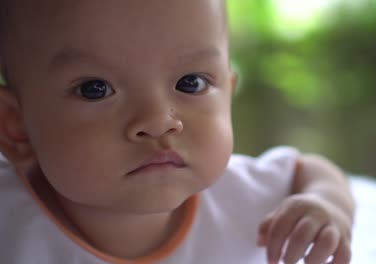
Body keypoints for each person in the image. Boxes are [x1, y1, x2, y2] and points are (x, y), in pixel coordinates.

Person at [0, 1, 355, 263]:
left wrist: (325, 204)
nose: (159, 120)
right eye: (95, 88)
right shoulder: (12, 224)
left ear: (227, 95)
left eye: (191, 82)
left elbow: (307, 170)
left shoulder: (239, 200)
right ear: (16, 127)